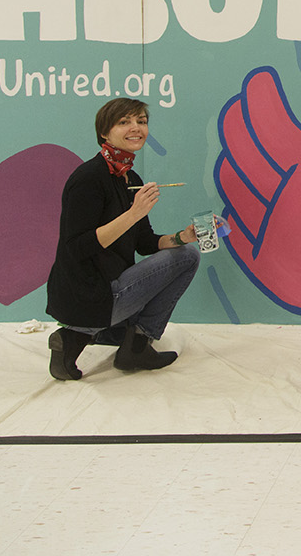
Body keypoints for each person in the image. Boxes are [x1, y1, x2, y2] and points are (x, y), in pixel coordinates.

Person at [45, 98, 201, 381]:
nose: (136, 128)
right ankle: (125, 341)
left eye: (141, 121)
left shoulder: (130, 178)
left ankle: (88, 337)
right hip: (86, 294)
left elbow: (144, 243)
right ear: (104, 132)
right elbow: (76, 247)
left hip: (110, 287)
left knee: (187, 251)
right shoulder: (88, 178)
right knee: (190, 258)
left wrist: (183, 236)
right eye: (124, 122)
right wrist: (133, 213)